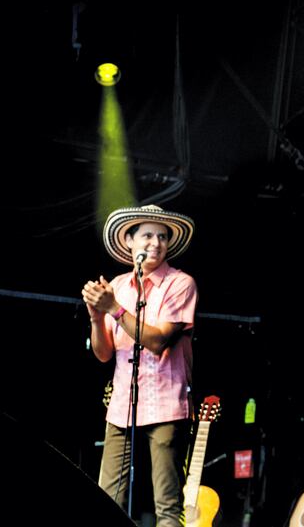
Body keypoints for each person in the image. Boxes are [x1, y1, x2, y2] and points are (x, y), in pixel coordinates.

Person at [82, 204, 198, 526]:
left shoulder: (181, 284)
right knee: (107, 496)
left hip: (166, 404)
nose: (156, 243)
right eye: (147, 235)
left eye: (163, 237)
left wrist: (114, 309)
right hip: (122, 406)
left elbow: (159, 340)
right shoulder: (118, 287)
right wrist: (96, 317)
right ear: (130, 242)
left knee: (168, 504)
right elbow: (104, 354)